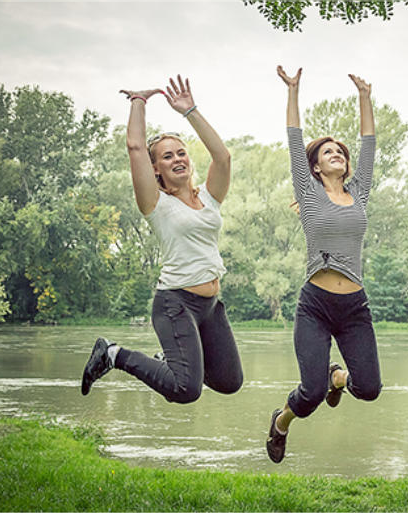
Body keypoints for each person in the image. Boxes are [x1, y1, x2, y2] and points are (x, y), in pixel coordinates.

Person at [80, 75, 243, 404]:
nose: (177, 159)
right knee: (186, 390)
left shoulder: (209, 198)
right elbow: (135, 147)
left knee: (229, 381)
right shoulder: (155, 203)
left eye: (181, 153)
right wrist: (139, 101)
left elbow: (223, 157)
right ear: (156, 170)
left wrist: (190, 111)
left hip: (210, 307)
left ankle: (173, 360)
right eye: (167, 157)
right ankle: (112, 354)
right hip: (175, 303)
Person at [266, 66, 381, 463]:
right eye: (329, 151)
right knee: (310, 394)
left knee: (368, 389)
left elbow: (369, 144)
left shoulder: (360, 192)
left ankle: (339, 378)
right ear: (316, 167)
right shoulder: (309, 192)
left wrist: (365, 97)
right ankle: (281, 422)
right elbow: (294, 141)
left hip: (354, 307)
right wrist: (294, 91)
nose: (338, 154)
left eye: (341, 153)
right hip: (315, 304)